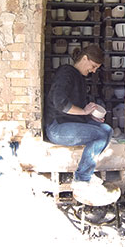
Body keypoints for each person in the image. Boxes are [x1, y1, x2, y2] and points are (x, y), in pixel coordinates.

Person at [45, 44, 113, 198]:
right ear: (84, 58)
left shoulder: (80, 78)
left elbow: (78, 108)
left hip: (70, 123)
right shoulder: (66, 72)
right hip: (57, 127)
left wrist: (90, 116)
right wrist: (83, 111)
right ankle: (82, 179)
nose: (94, 70)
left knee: (107, 130)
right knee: (99, 135)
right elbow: (59, 102)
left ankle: (87, 171)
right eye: (93, 66)